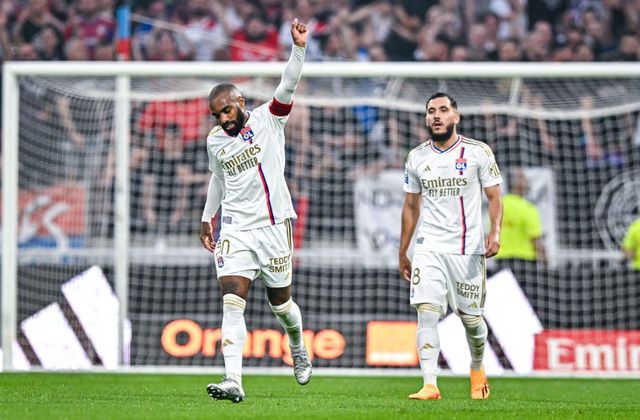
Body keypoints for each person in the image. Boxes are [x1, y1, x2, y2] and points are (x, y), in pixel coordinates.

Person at [199, 19, 311, 403]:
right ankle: (233, 380)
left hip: (274, 225)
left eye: (227, 110)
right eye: (217, 115)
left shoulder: (270, 119)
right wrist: (205, 216)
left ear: (240, 101)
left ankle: (296, 344)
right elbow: (218, 179)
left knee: (282, 305)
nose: (223, 119)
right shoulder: (215, 141)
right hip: (235, 230)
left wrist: (298, 48)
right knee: (232, 299)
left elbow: (289, 84)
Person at [398, 92, 503, 401]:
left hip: (467, 249)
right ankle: (430, 384)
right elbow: (410, 207)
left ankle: (477, 367)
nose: (436, 115)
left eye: (443, 110)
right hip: (428, 247)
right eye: (431, 111)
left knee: (472, 321)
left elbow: (495, 196)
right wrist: (402, 250)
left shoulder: (477, 152)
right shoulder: (417, 157)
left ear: (456, 117)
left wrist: (494, 232)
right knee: (427, 312)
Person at [495, 167, 546, 264]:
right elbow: (535, 238)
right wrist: (545, 259)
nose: (527, 182)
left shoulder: (498, 206)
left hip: (501, 260)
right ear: (517, 184)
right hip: (524, 261)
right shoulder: (527, 208)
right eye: (523, 179)